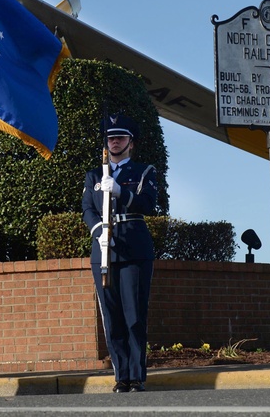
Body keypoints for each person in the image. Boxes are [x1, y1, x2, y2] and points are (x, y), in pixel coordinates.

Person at [82, 112, 159, 393]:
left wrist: (121, 193)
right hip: (103, 250)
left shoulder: (143, 172)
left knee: (134, 315)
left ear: (131, 142)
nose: (115, 141)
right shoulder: (93, 175)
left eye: (120, 137)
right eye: (111, 137)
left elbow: (148, 205)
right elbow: (88, 209)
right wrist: (98, 232)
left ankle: (137, 375)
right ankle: (121, 375)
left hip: (133, 249)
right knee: (111, 316)